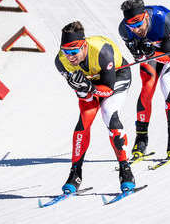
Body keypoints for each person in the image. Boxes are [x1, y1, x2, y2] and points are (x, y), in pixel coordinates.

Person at [55, 21, 135, 193]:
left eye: (74, 51)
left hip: (116, 76)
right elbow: (81, 95)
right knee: (84, 119)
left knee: (108, 112)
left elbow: (108, 89)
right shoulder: (61, 62)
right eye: (65, 51)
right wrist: (82, 89)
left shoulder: (103, 51)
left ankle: (126, 170)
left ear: (84, 46)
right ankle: (75, 173)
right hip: (91, 83)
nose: (70, 56)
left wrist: (89, 88)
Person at [118, 0, 170, 160]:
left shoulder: (165, 18)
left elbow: (167, 56)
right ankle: (141, 139)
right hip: (151, 51)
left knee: (166, 82)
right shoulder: (124, 29)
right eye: (131, 26)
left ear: (146, 17)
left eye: (138, 24)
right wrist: (137, 52)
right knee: (147, 87)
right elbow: (137, 56)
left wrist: (149, 52)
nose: (136, 29)